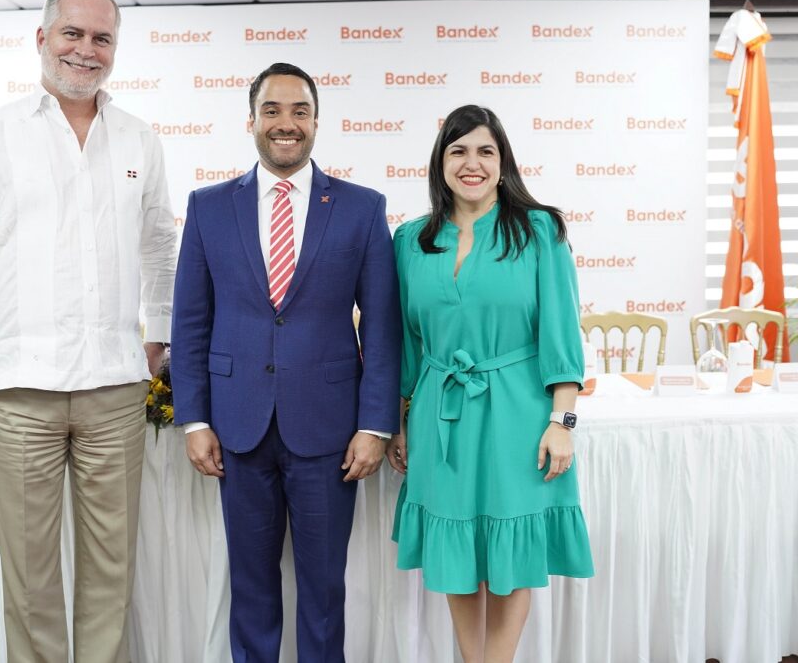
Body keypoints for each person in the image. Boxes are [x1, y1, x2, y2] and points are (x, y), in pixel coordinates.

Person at [0, 0, 176, 663]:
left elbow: (160, 247)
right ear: (42, 39)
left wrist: (160, 332)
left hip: (115, 388)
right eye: (73, 33)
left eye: (102, 38)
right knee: (31, 580)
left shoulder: (139, 138)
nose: (86, 50)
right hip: (19, 391)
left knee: (112, 574)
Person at [171, 62, 401, 663]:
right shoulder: (208, 207)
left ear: (316, 121)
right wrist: (194, 420)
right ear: (250, 120)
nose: (286, 123)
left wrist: (375, 425)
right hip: (237, 429)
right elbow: (190, 323)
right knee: (250, 589)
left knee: (324, 592)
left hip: (329, 432)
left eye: (300, 111)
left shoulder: (361, 208)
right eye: (271, 110)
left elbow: (382, 327)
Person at [387, 105, 594, 662]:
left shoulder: (540, 231)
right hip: (439, 414)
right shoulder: (410, 240)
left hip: (518, 413)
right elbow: (405, 341)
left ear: (503, 163)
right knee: (455, 549)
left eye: (485, 151)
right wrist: (398, 420)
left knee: (511, 550)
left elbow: (561, 336)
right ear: (441, 163)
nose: (471, 163)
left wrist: (562, 421)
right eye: (458, 151)